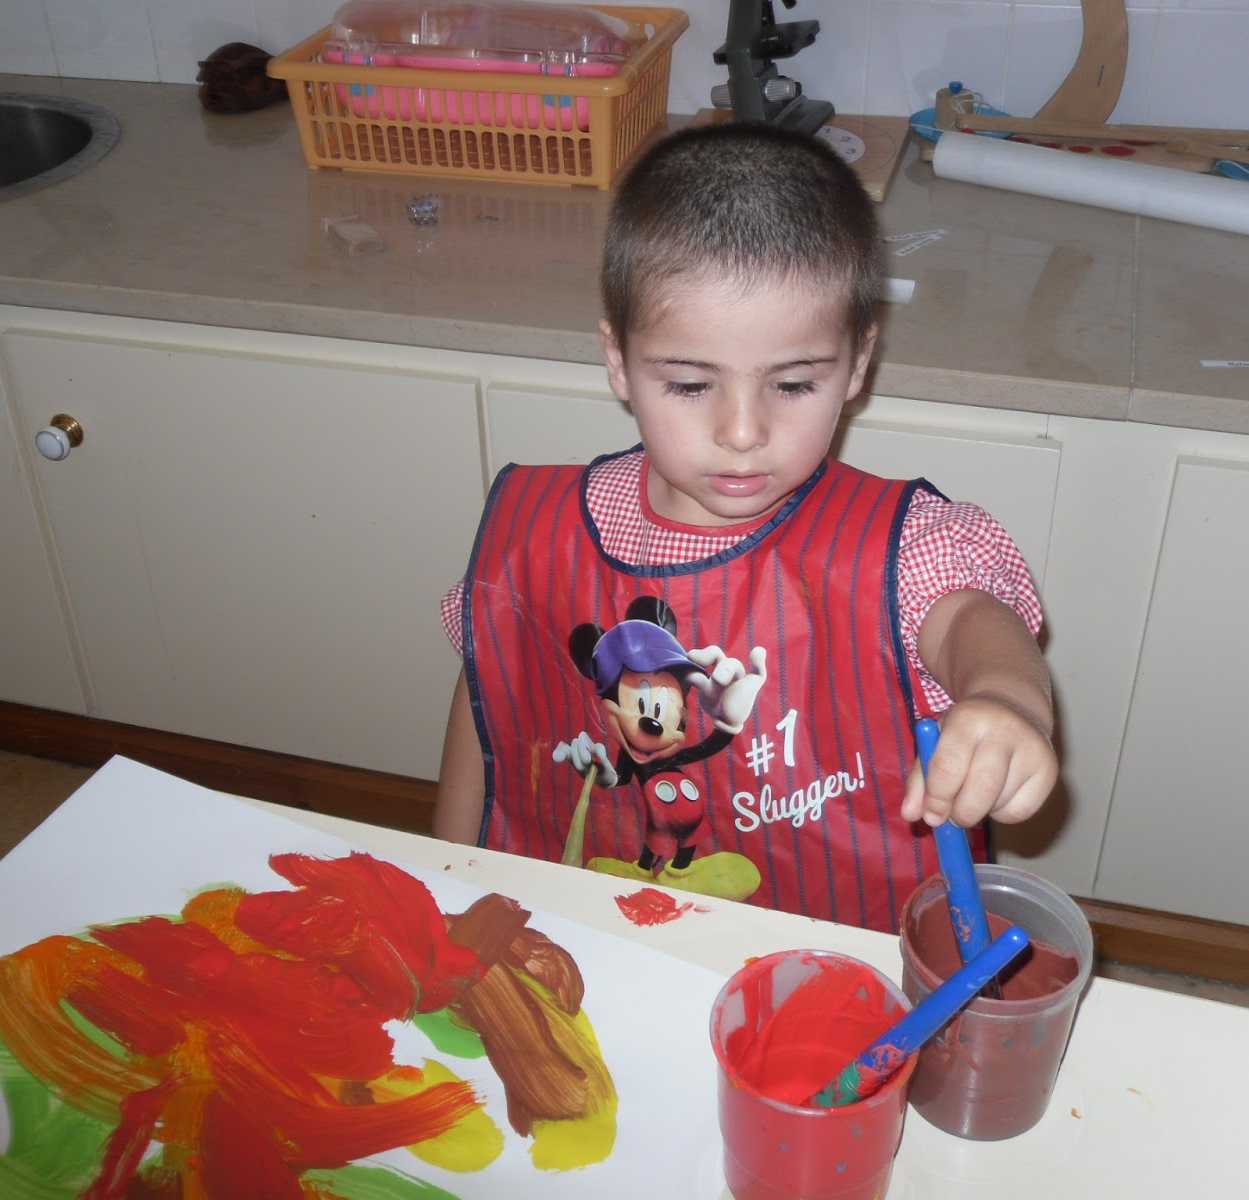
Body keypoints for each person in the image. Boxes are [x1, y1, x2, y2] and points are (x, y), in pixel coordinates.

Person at [430, 121, 1056, 933]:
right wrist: (445, 883)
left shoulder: (906, 549)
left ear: (857, 364)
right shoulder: (535, 536)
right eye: (691, 385)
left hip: (837, 966)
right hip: (600, 939)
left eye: (792, 385)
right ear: (618, 360)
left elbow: (972, 618)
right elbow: (490, 696)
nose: (742, 431)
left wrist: (1008, 699)